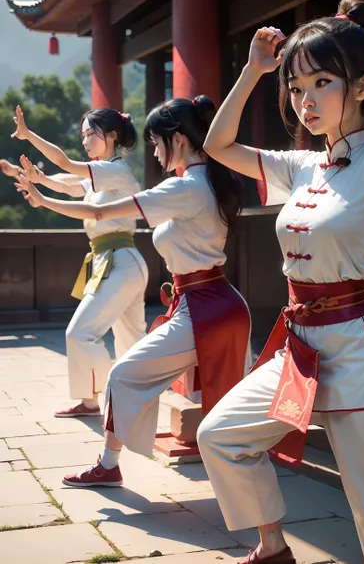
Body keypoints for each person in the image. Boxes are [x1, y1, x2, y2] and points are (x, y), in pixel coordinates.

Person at [196, 0, 364, 564]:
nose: (305, 101)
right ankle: (274, 547)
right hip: (301, 352)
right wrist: (253, 72)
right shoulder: (300, 166)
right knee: (222, 436)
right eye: (296, 88)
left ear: (360, 87)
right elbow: (217, 146)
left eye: (321, 84)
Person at [16, 95, 251, 488]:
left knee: (123, 374)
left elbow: (96, 211)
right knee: (215, 399)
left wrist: (41, 199)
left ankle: (110, 462)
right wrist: (42, 185)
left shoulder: (182, 187)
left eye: (158, 142)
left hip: (203, 306)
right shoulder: (206, 181)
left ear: (177, 140)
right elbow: (76, 184)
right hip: (214, 302)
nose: (154, 153)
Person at [9, 106, 148, 418]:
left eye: (90, 133)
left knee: (81, 333)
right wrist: (39, 178)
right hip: (114, 262)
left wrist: (28, 135)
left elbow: (65, 165)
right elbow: (69, 184)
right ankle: (129, 401)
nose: (85, 140)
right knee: (131, 341)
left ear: (111, 135)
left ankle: (98, 396)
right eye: (83, 134)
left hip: (121, 262)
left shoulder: (116, 171)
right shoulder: (105, 174)